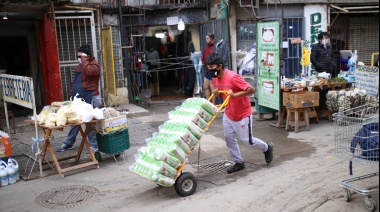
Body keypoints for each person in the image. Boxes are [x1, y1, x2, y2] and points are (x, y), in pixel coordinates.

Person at [206, 53, 274, 174]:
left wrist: (235, 95)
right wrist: (216, 93)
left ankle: (267, 148)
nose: (209, 69)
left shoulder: (233, 77)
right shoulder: (215, 78)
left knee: (248, 141)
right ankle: (239, 162)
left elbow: (251, 89)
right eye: (208, 67)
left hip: (242, 113)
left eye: (211, 67)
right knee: (228, 138)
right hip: (229, 112)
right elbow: (222, 93)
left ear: (219, 66)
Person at [57, 44, 101, 153]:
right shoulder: (80, 66)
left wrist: (85, 59)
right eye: (79, 57)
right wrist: (71, 94)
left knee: (88, 123)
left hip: (90, 98)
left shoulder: (94, 65)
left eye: (81, 56)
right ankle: (69, 142)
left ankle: (94, 148)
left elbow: (89, 72)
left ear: (87, 56)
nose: (79, 59)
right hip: (79, 100)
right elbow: (75, 82)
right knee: (75, 120)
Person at [201, 33, 216, 104]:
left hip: (212, 69)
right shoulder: (206, 47)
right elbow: (203, 56)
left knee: (212, 86)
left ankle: (213, 104)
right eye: (206, 38)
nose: (206, 40)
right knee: (205, 85)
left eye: (207, 38)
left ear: (211, 39)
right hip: (207, 69)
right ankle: (208, 102)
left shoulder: (215, 47)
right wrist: (204, 62)